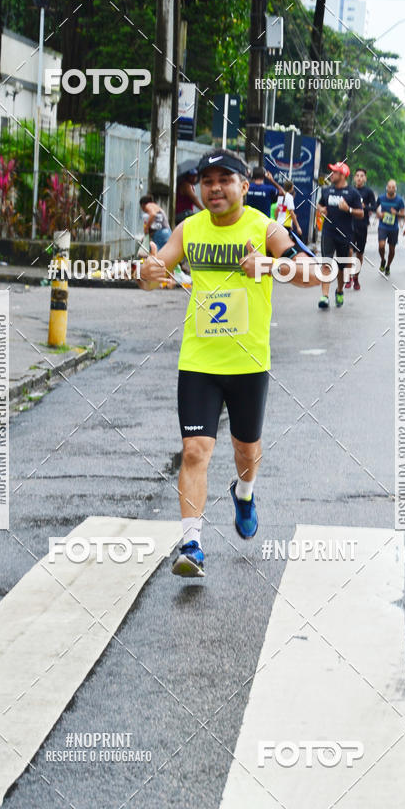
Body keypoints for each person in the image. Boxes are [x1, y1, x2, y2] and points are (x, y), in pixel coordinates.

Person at [138, 149, 321, 578]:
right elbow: (153, 275)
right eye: (207, 181)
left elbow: (314, 274)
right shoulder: (189, 228)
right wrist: (147, 272)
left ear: (243, 185)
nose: (214, 188)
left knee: (245, 449)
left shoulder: (265, 227)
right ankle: (192, 544)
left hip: (248, 363)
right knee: (195, 450)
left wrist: (272, 266)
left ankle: (244, 492)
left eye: (225, 179)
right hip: (199, 359)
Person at [316, 162, 363, 309]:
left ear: (342, 175)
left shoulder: (353, 193)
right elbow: (319, 205)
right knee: (327, 263)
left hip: (344, 234)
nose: (332, 175)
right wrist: (321, 209)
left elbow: (361, 213)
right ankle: (324, 296)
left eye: (335, 172)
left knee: (341, 267)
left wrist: (348, 209)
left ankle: (340, 290)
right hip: (328, 232)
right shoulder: (327, 191)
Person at [347, 168, 375, 291]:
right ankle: (348, 277)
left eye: (362, 176)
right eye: (357, 175)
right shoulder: (350, 190)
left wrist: (365, 207)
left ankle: (356, 277)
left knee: (359, 253)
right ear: (354, 178)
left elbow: (374, 206)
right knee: (349, 251)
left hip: (362, 226)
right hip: (349, 225)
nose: (359, 178)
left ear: (365, 178)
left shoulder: (368, 192)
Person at [375, 180, 405, 275]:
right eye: (389, 187)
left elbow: (403, 215)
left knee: (392, 249)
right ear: (386, 188)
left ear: (395, 188)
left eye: (393, 187)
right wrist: (379, 214)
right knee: (381, 246)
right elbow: (375, 208)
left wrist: (396, 213)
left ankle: (388, 265)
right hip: (383, 226)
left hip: (393, 228)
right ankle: (383, 260)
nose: (391, 189)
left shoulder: (400, 200)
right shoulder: (381, 198)